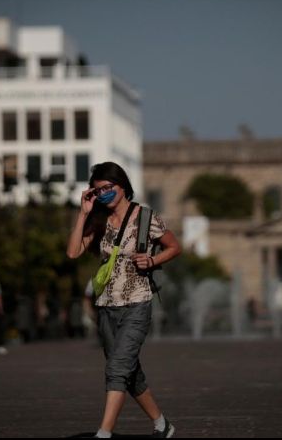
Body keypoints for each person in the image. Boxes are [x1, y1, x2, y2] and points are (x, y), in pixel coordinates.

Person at [67, 162, 181, 438]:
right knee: (130, 373)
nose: (104, 193)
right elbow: (73, 252)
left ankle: (104, 433)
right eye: (98, 190)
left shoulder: (145, 217)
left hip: (137, 303)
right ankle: (163, 425)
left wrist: (153, 259)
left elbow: (174, 247)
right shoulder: (98, 219)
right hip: (106, 306)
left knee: (117, 368)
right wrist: (82, 214)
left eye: (108, 187)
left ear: (122, 185)